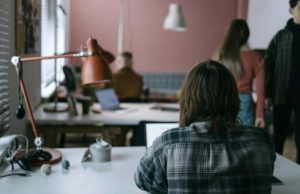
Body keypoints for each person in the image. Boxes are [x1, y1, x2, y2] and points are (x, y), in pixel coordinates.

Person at [134, 60, 275, 194]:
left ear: (187, 99)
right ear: (233, 97)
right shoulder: (261, 140)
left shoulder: (168, 143)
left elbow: (142, 180)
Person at [265, 0, 300, 164]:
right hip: (281, 95)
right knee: (278, 138)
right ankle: (274, 171)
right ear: (291, 10)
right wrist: (268, 94)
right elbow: (268, 67)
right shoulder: (280, 36)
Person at [213, 19, 265, 128]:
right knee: (245, 140)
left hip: (223, 101)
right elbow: (261, 90)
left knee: (225, 139)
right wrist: (260, 115)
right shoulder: (255, 56)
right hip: (245, 103)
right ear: (244, 33)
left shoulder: (221, 55)